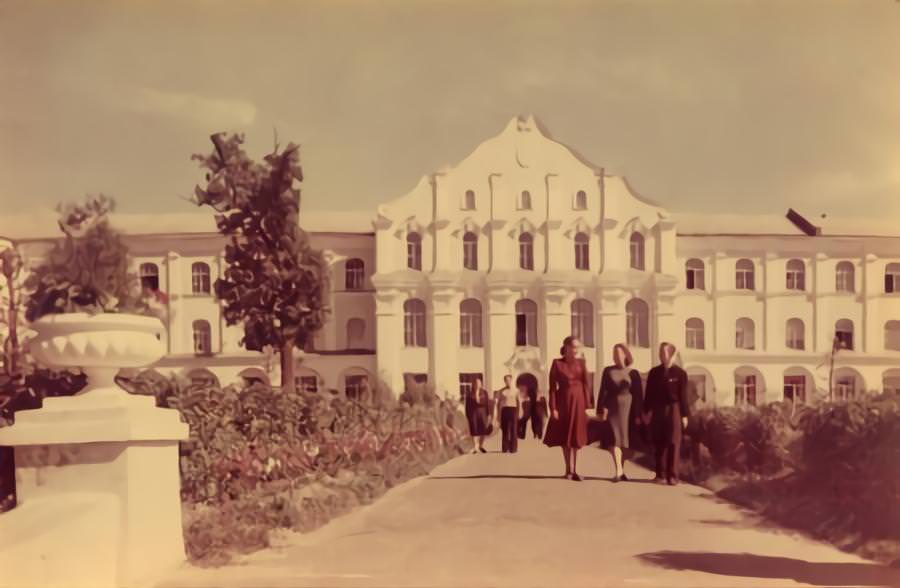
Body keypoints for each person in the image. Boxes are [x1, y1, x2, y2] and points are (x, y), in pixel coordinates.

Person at [543, 336, 590, 481]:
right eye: (573, 347)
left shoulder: (581, 363)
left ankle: (575, 470)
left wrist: (588, 406)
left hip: (579, 402)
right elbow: (552, 389)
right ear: (566, 347)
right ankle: (568, 470)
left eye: (577, 347)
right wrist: (553, 408)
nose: (576, 350)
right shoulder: (557, 364)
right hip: (563, 402)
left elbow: (587, 385)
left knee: (576, 436)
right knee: (565, 436)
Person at [643, 342, 690, 485]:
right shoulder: (654, 373)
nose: (662, 355)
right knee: (659, 441)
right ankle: (660, 475)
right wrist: (646, 411)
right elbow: (649, 394)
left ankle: (673, 476)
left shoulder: (680, 374)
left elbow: (683, 396)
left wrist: (684, 415)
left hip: (674, 409)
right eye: (660, 352)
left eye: (664, 352)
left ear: (672, 354)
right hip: (658, 409)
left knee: (673, 442)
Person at [597, 343, 644, 482]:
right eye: (614, 353)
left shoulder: (633, 373)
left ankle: (621, 470)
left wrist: (638, 414)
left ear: (625, 355)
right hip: (612, 408)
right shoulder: (608, 371)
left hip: (629, 409)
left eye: (618, 353)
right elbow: (603, 391)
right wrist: (601, 408)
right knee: (614, 439)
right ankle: (618, 471)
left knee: (626, 444)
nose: (616, 356)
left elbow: (638, 395)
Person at [464, 377, 491, 453]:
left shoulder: (484, 392)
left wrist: (489, 414)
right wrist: (467, 415)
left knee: (483, 430)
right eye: (475, 383)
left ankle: (481, 445)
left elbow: (487, 404)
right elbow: (467, 405)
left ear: (481, 384)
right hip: (473, 414)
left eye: (479, 383)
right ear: (473, 384)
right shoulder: (469, 393)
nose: (477, 384)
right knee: (474, 430)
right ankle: (475, 446)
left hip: (482, 413)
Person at [494, 375, 520, 453]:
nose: (507, 382)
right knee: (505, 430)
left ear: (511, 380)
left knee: (514, 430)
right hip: (505, 410)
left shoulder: (516, 391)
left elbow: (519, 402)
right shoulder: (501, 391)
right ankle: (505, 448)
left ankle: (513, 448)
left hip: (513, 410)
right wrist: (498, 415)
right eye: (506, 380)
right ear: (504, 381)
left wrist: (520, 413)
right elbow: (497, 403)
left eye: (509, 380)